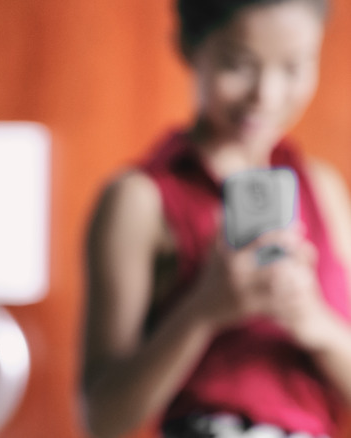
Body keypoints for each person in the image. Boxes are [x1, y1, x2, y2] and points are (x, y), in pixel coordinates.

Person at [82, 1, 351, 437]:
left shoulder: (323, 188)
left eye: (294, 66)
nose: (266, 94)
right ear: (190, 46)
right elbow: (101, 419)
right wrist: (203, 311)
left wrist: (313, 321)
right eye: (239, 65)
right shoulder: (139, 200)